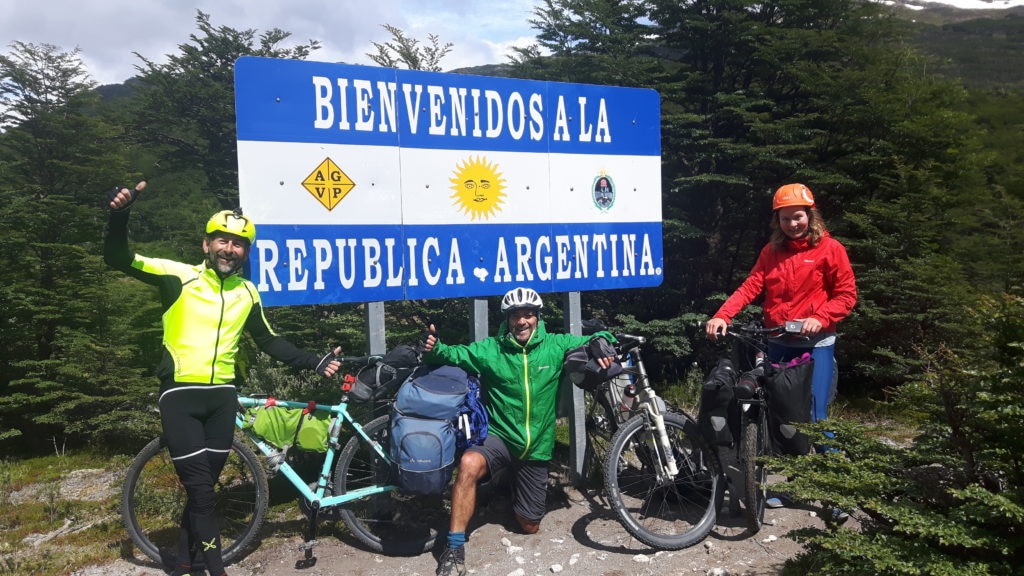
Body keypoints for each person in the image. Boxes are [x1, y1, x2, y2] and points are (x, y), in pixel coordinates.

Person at [105, 182, 342, 576]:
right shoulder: (177, 277)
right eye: (222, 241)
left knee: (202, 495)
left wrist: (313, 361)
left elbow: (268, 340)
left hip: (222, 400)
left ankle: (182, 561)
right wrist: (119, 216)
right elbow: (119, 258)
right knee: (200, 492)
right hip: (180, 396)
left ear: (245, 252)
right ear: (206, 245)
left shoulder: (247, 293)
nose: (229, 249)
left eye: (238, 243)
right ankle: (214, 571)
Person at [422, 287, 616, 576]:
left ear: (537, 318)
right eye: (515, 315)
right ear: (508, 319)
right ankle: (454, 548)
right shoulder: (492, 349)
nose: (522, 321)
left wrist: (602, 341)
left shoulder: (555, 344)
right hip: (499, 437)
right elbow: (452, 354)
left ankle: (505, 483)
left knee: (529, 526)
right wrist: (435, 347)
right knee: (468, 463)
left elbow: (596, 338)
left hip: (536, 447)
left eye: (528, 314)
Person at [705, 183, 857, 436]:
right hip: (778, 340)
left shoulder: (831, 249)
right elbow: (750, 287)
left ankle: (827, 467)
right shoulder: (771, 251)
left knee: (815, 413)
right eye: (785, 218)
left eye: (798, 217)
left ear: (810, 215)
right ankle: (783, 465)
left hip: (815, 343)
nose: (793, 224)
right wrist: (722, 315)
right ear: (778, 220)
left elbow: (846, 295)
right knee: (779, 409)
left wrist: (820, 318)